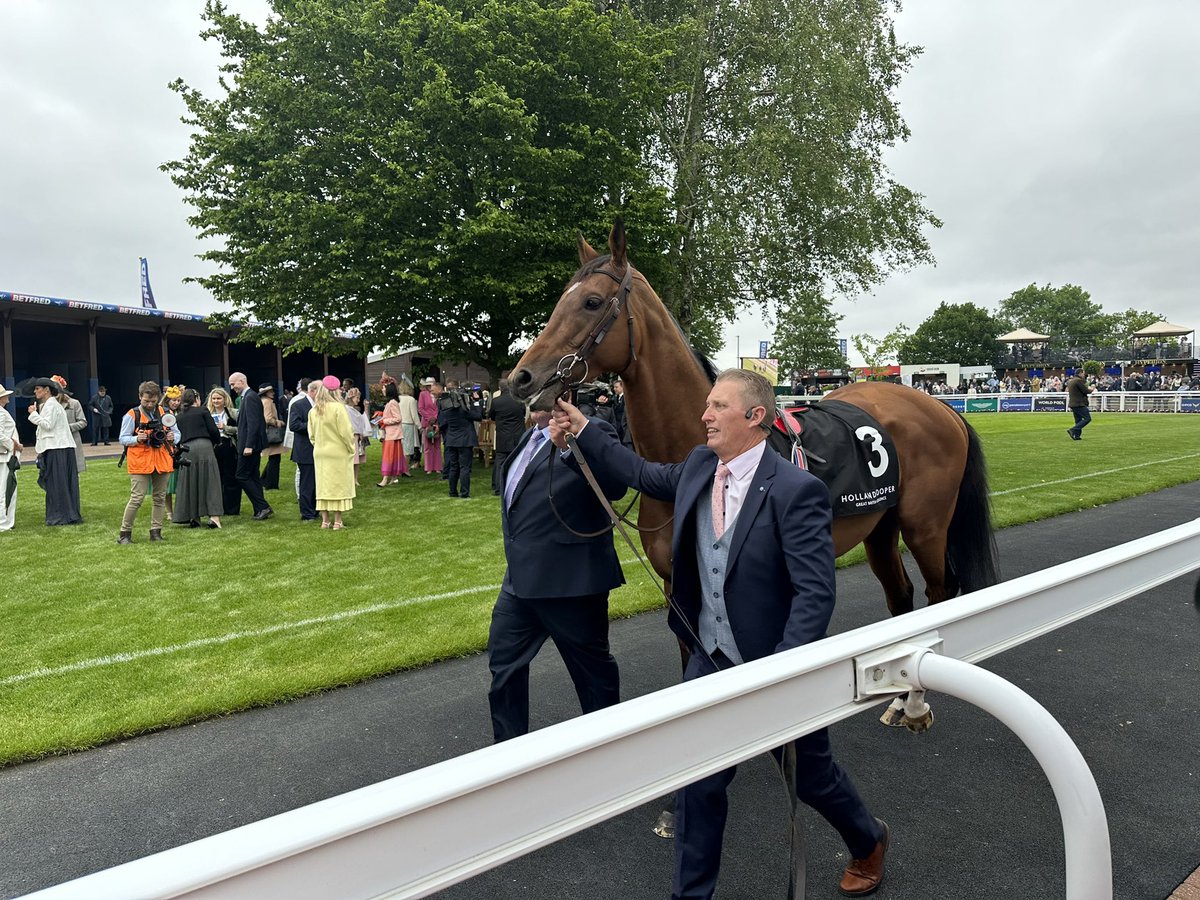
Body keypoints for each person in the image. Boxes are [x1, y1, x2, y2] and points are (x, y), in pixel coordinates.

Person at [550, 369, 889, 899]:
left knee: (811, 777)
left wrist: (781, 669)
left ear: (755, 417)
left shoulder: (797, 491)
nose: (704, 415)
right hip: (708, 660)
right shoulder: (698, 466)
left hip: (775, 667)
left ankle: (868, 840)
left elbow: (815, 594)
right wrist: (585, 428)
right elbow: (639, 471)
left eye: (717, 407)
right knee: (698, 785)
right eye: (707, 406)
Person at [487, 405, 626, 743]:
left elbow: (615, 485)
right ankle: (507, 759)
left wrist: (569, 447)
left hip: (571, 585)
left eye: (542, 394)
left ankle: (606, 753)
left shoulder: (592, 430)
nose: (535, 402)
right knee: (504, 670)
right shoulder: (529, 436)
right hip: (519, 583)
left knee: (592, 678)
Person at [117, 381, 179, 543]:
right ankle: (124, 534)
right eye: (146, 401)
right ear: (139, 397)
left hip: (162, 459)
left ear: (159, 398)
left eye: (153, 401)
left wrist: (173, 437)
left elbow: (177, 433)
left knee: (159, 498)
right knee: (137, 498)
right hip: (140, 461)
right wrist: (137, 438)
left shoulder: (165, 413)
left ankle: (156, 532)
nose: (150, 404)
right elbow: (122, 438)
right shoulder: (132, 414)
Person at [27, 377, 83, 525]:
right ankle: (64, 514)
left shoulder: (51, 405)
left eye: (38, 389)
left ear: (46, 390)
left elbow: (48, 424)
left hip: (57, 448)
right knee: (59, 483)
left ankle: (60, 515)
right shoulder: (50, 404)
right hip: (58, 447)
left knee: (57, 483)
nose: (35, 391)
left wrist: (33, 414)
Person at [171, 388, 225, 529]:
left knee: (190, 482)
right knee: (210, 481)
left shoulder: (179, 416)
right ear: (196, 399)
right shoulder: (203, 411)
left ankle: (193, 516)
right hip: (204, 446)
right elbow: (213, 431)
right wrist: (217, 441)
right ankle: (214, 517)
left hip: (186, 449)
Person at [309, 379, 356, 529]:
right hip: (337, 451)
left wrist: (318, 446)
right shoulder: (338, 408)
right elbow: (346, 432)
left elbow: (311, 435)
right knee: (338, 485)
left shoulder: (313, 410)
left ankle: (325, 520)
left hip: (320, 452)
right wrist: (351, 448)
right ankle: (337, 521)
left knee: (323, 485)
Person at [228, 372, 273, 520]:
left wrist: (249, 445)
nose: (232, 387)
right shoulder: (248, 397)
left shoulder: (250, 397)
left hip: (249, 446)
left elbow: (254, 424)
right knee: (253, 477)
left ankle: (263, 506)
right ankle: (260, 509)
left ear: (242, 381)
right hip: (251, 444)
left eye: (233, 384)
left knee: (241, 476)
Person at [437, 380, 484, 498]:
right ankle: (464, 492)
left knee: (454, 467)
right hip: (465, 440)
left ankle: (452, 491)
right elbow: (478, 416)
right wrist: (477, 402)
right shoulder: (464, 410)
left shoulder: (447, 409)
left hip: (451, 439)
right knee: (464, 468)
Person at [488, 377, 527, 496]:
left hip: (502, 435)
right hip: (517, 434)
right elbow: (523, 414)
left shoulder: (496, 401)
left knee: (500, 461)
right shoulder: (520, 401)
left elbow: (492, 416)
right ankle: (516, 485)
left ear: (500, 389)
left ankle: (498, 487)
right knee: (517, 461)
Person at [288, 378, 320, 522]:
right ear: (312, 391)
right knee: (306, 483)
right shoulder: (298, 404)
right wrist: (313, 425)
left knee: (315, 482)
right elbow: (293, 425)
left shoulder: (320, 406)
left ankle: (315, 510)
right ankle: (306, 513)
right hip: (304, 450)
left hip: (319, 449)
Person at [206, 387, 241, 516]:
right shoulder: (207, 413)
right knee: (216, 479)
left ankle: (232, 509)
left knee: (230, 478)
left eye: (219, 398)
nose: (216, 401)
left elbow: (240, 429)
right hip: (213, 447)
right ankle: (217, 507)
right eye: (214, 398)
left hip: (229, 446)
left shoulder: (233, 413)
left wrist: (225, 428)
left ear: (225, 399)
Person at [51, 376, 88, 473]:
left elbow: (83, 422)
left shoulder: (74, 403)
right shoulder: (45, 405)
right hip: (54, 444)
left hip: (72, 442)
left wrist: (68, 427)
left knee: (73, 474)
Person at [377, 381, 409, 486]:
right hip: (392, 434)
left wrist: (384, 421)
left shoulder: (392, 403)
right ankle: (394, 479)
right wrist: (382, 416)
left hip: (392, 434)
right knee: (393, 456)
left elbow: (398, 418)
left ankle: (385, 479)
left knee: (389, 456)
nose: (382, 390)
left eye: (384, 388)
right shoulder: (391, 402)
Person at [0, 382, 22, 532]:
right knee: (6, 489)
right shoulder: (1, 413)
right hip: (5, 455)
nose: (7, 399)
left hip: (5, 454)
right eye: (5, 397)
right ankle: (4, 522)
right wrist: (14, 445)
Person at [160, 385, 185, 516]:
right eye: (173, 400)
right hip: (166, 451)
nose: (176, 403)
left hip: (179, 449)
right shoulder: (163, 413)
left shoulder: (181, 413)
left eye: (178, 400)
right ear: (167, 400)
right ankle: (169, 511)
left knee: (178, 483)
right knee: (167, 484)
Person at [259, 383, 287, 490]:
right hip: (272, 433)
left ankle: (265, 480)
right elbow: (267, 419)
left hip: (270, 432)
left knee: (274, 458)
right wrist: (278, 422)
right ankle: (271, 483)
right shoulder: (267, 402)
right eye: (271, 391)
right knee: (274, 459)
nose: (273, 393)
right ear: (266, 393)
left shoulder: (265, 401)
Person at [418, 379, 443, 474]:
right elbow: (420, 408)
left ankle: (437, 467)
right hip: (426, 422)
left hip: (437, 422)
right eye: (428, 385)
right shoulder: (423, 394)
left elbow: (440, 408)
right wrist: (429, 418)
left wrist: (436, 417)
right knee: (427, 445)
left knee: (437, 445)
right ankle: (428, 467)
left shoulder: (439, 395)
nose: (429, 387)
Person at [398, 380, 421, 468]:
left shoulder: (398, 398)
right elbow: (414, 415)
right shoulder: (411, 400)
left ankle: (400, 467)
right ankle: (405, 468)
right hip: (408, 424)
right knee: (407, 448)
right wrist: (419, 426)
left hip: (399, 424)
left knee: (401, 446)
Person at [1066, 370, 1093, 441]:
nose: (1084, 375)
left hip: (1073, 403)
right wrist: (1091, 389)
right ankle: (1073, 430)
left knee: (1078, 420)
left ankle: (1077, 436)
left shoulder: (1071, 381)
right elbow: (1085, 390)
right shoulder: (1078, 380)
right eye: (1083, 374)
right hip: (1079, 403)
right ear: (1080, 373)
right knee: (1087, 418)